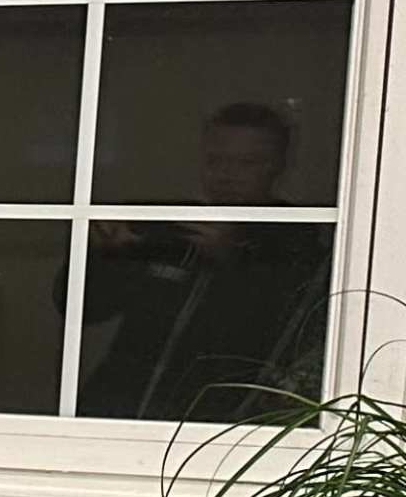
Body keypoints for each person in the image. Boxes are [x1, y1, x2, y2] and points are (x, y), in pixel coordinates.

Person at [74, 98, 326, 418]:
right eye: (215, 160)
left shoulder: (297, 238)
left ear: (278, 165)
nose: (227, 174)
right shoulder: (169, 222)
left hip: (219, 423)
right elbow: (81, 309)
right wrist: (108, 254)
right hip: (119, 410)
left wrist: (231, 259)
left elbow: (294, 334)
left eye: (247, 163)